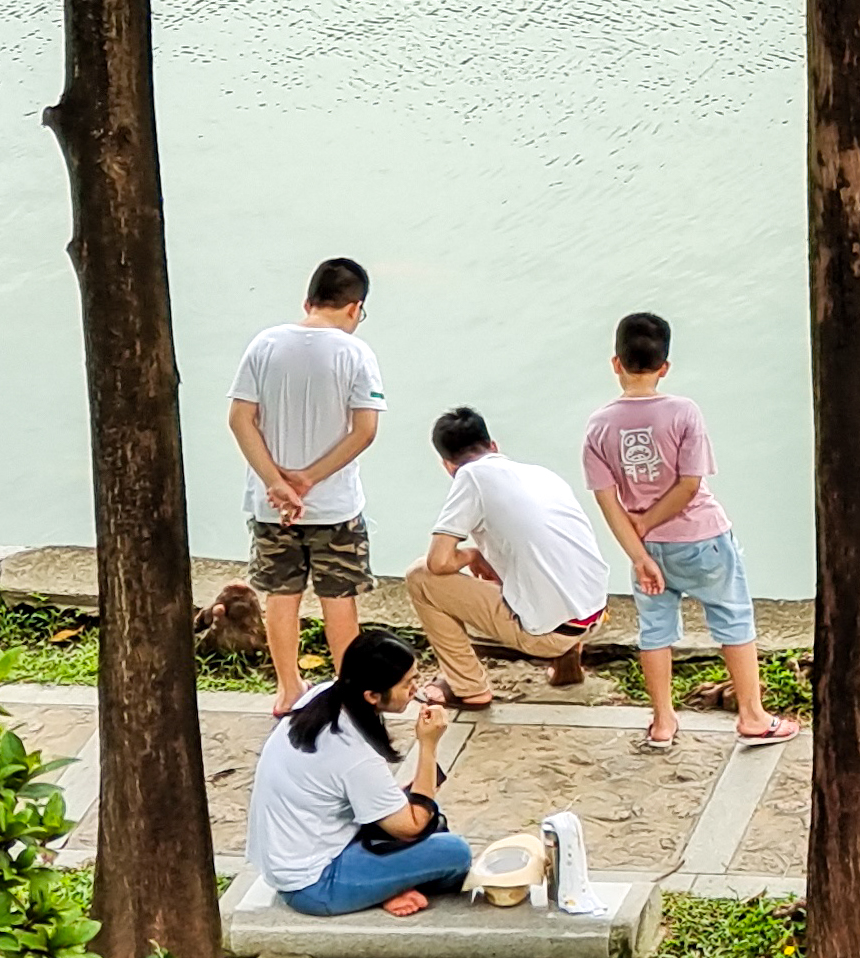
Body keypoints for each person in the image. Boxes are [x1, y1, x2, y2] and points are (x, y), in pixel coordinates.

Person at [584, 312, 799, 753]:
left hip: (647, 550)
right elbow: (689, 484)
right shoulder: (683, 412)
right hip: (702, 538)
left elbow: (607, 501)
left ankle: (663, 721)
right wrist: (647, 523)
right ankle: (753, 716)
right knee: (733, 618)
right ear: (665, 366)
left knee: (655, 630)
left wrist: (639, 548)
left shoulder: (599, 425)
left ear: (615, 363)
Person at [227, 257, 385, 712]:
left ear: (308, 301)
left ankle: (289, 687)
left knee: (282, 595)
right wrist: (309, 479)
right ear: (355, 308)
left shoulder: (264, 344)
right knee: (339, 599)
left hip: (271, 504)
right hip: (334, 504)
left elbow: (240, 419)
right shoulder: (356, 354)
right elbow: (365, 431)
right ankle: (350, 689)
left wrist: (277, 483)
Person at [248, 631, 471, 917]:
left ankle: (380, 885)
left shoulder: (323, 696)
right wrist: (428, 745)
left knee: (429, 818)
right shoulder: (353, 753)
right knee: (454, 853)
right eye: (406, 684)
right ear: (372, 696)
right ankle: (379, 889)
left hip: (298, 853)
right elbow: (413, 825)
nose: (416, 689)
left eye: (416, 677)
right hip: (314, 884)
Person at [404, 406, 610, 704]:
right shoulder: (542, 474)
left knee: (420, 577)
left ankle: (467, 687)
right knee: (532, 560)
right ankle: (567, 664)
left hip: (550, 635)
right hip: (594, 613)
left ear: (447, 465)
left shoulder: (470, 476)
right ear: (494, 446)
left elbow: (439, 561)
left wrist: (473, 556)